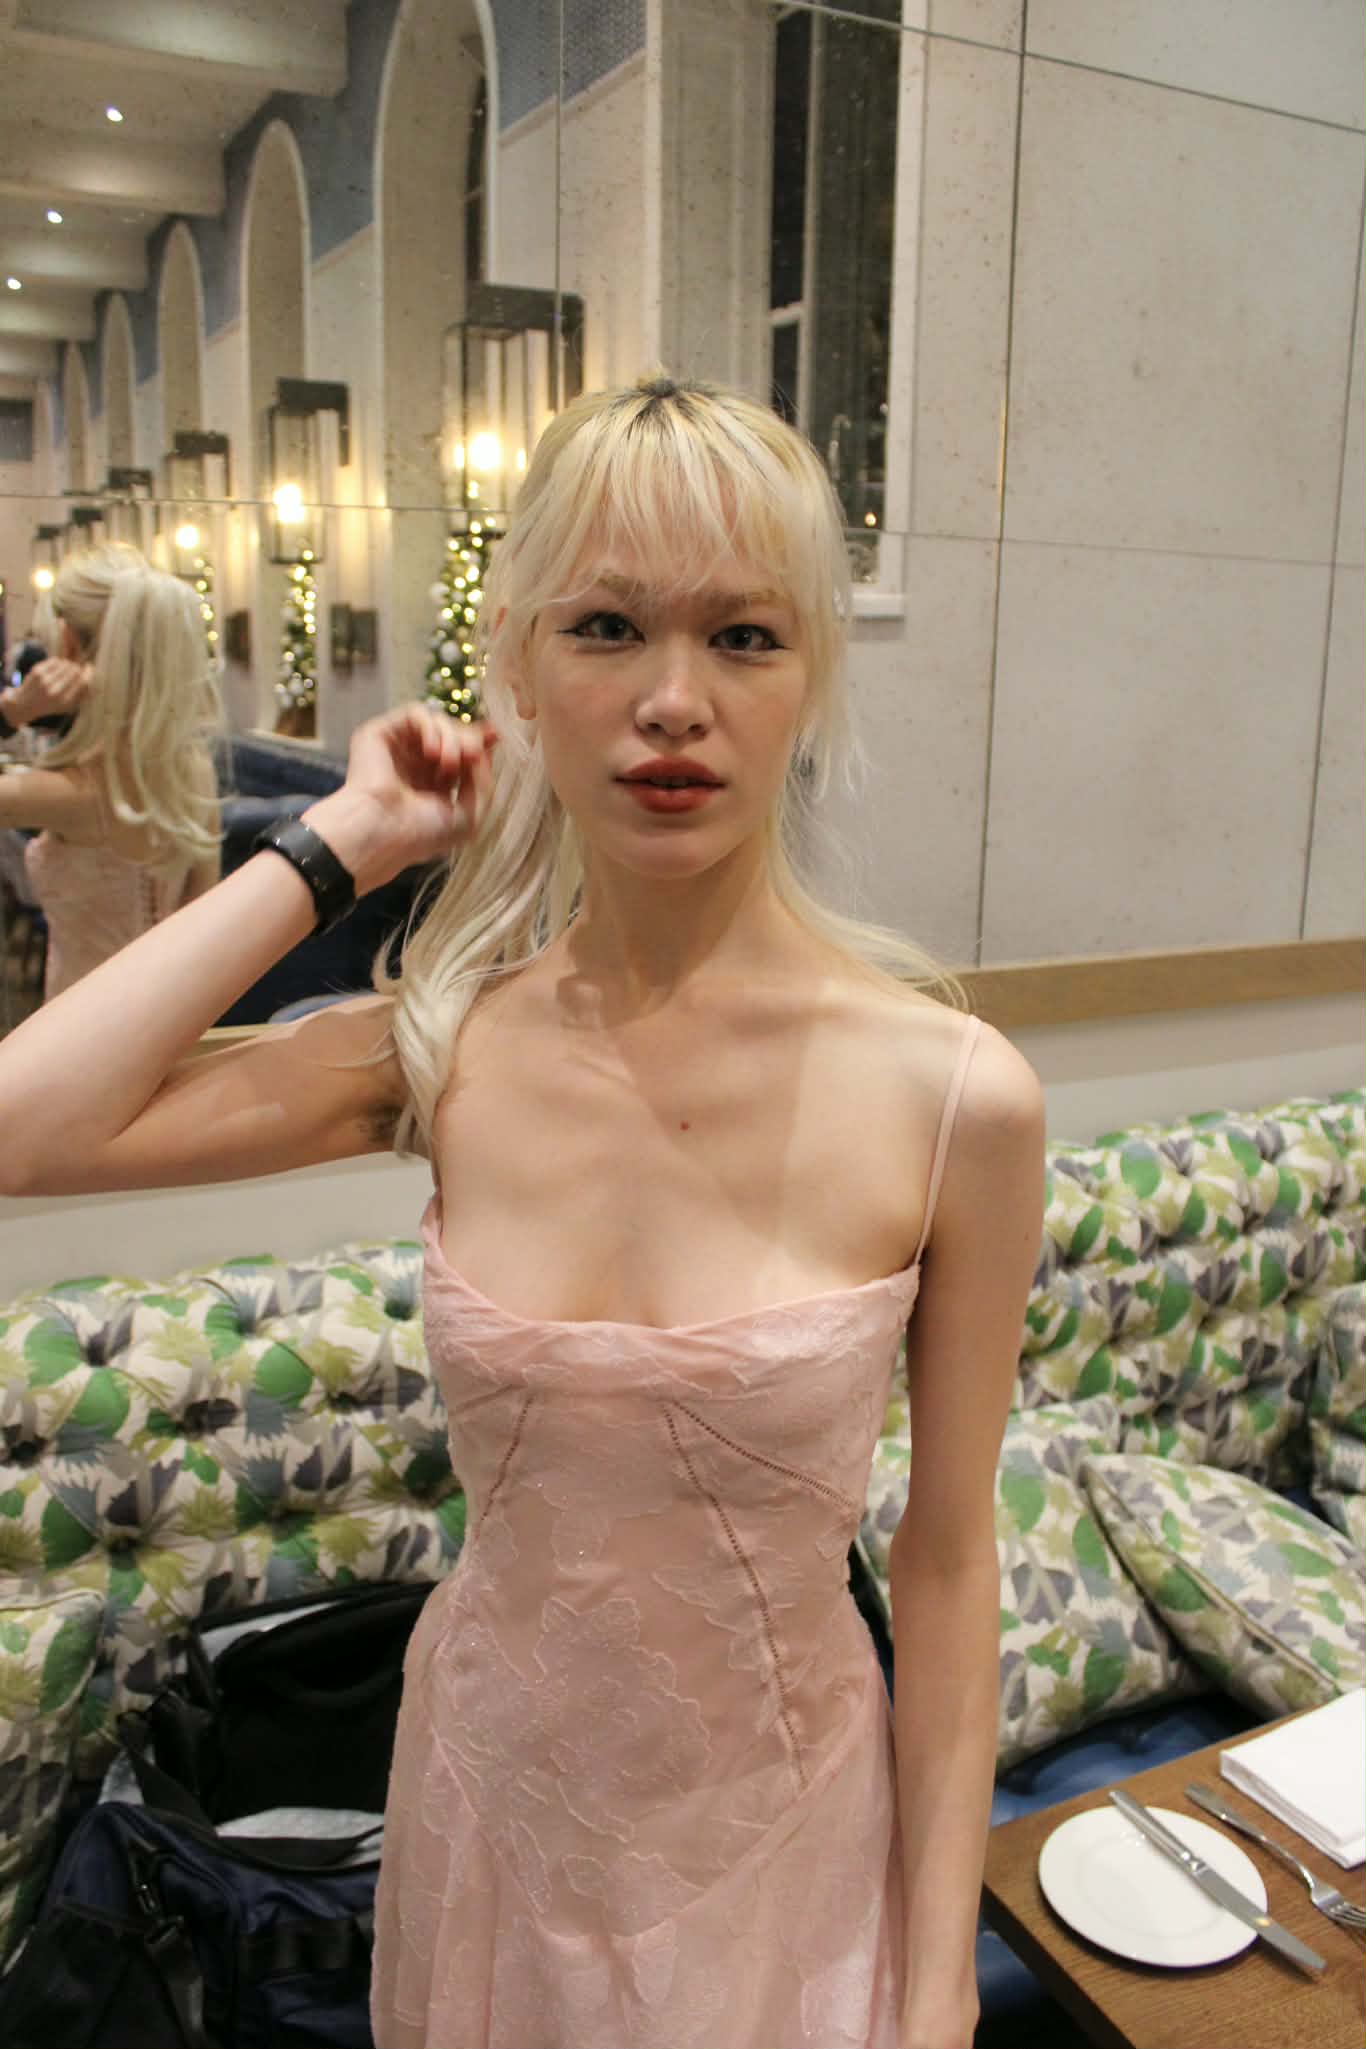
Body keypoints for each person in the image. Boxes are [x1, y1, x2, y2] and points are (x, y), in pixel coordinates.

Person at [0, 372, 1045, 2049]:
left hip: (777, 1844)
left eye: (745, 637)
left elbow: (945, 1558)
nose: (673, 701)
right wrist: (347, 837)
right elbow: (24, 1127)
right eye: (608, 627)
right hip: (493, 1811)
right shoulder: (444, 1042)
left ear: (811, 680)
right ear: (521, 671)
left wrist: (937, 1987)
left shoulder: (952, 1099)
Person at [0, 544, 223, 997]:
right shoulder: (192, 769)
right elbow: (203, 926)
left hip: (77, 1022)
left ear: (66, 641)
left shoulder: (68, 794)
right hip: (169, 1017)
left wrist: (12, 711)